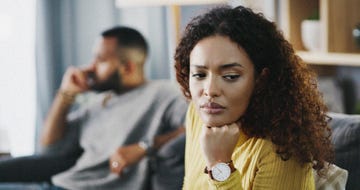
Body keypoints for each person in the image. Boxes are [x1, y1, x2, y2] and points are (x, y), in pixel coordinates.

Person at [0, 26, 187, 190]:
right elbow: (49, 149)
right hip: (61, 183)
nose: (90, 67)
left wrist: (144, 147)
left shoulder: (164, 94)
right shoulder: (100, 102)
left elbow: (196, 128)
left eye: (100, 60)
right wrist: (66, 94)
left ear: (127, 67)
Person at [174, 5, 334, 189]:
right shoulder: (197, 114)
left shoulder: (281, 151)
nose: (209, 91)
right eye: (199, 75)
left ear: (260, 79)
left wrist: (220, 165)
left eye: (230, 77)